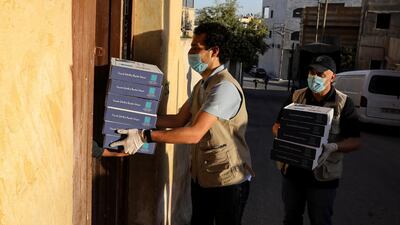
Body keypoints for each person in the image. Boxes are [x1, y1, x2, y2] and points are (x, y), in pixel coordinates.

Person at [109, 22, 254, 225]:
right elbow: (178, 119)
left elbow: (194, 133)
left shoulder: (224, 87)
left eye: (196, 47)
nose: (191, 52)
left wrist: (145, 136)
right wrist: (138, 120)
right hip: (203, 176)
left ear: (214, 51)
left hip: (228, 180)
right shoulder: (202, 85)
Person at [272, 55, 361, 225]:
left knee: (320, 220)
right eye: (312, 72)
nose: (314, 77)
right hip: (293, 173)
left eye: (320, 74)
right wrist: (284, 137)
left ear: (332, 77)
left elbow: (355, 141)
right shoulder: (296, 96)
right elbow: (276, 126)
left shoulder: (343, 103)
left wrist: (333, 146)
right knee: (291, 218)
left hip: (323, 178)